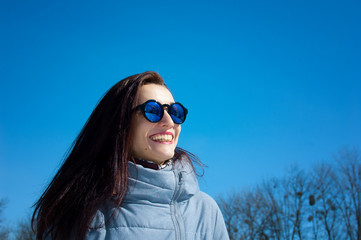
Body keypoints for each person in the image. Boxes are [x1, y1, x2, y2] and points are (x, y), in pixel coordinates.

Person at [32, 71, 229, 240]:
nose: (169, 121)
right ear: (119, 124)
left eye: (175, 112)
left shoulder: (205, 211)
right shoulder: (83, 212)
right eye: (153, 111)